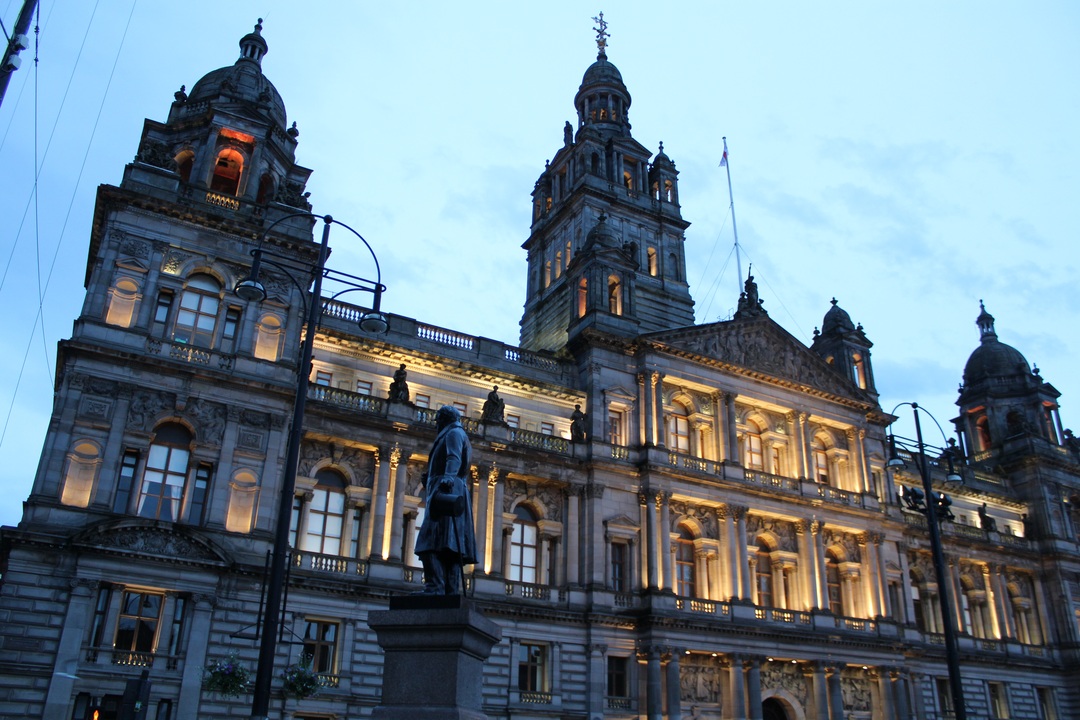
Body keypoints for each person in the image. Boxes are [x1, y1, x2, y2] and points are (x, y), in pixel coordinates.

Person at [415, 405, 477, 595]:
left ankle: (435, 587)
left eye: (438, 420)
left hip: (447, 491)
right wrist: (431, 478)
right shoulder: (455, 432)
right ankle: (451, 591)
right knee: (451, 546)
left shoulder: (453, 433)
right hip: (451, 489)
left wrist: (447, 477)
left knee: (429, 541)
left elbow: (454, 457)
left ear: (443, 419)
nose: (437, 425)